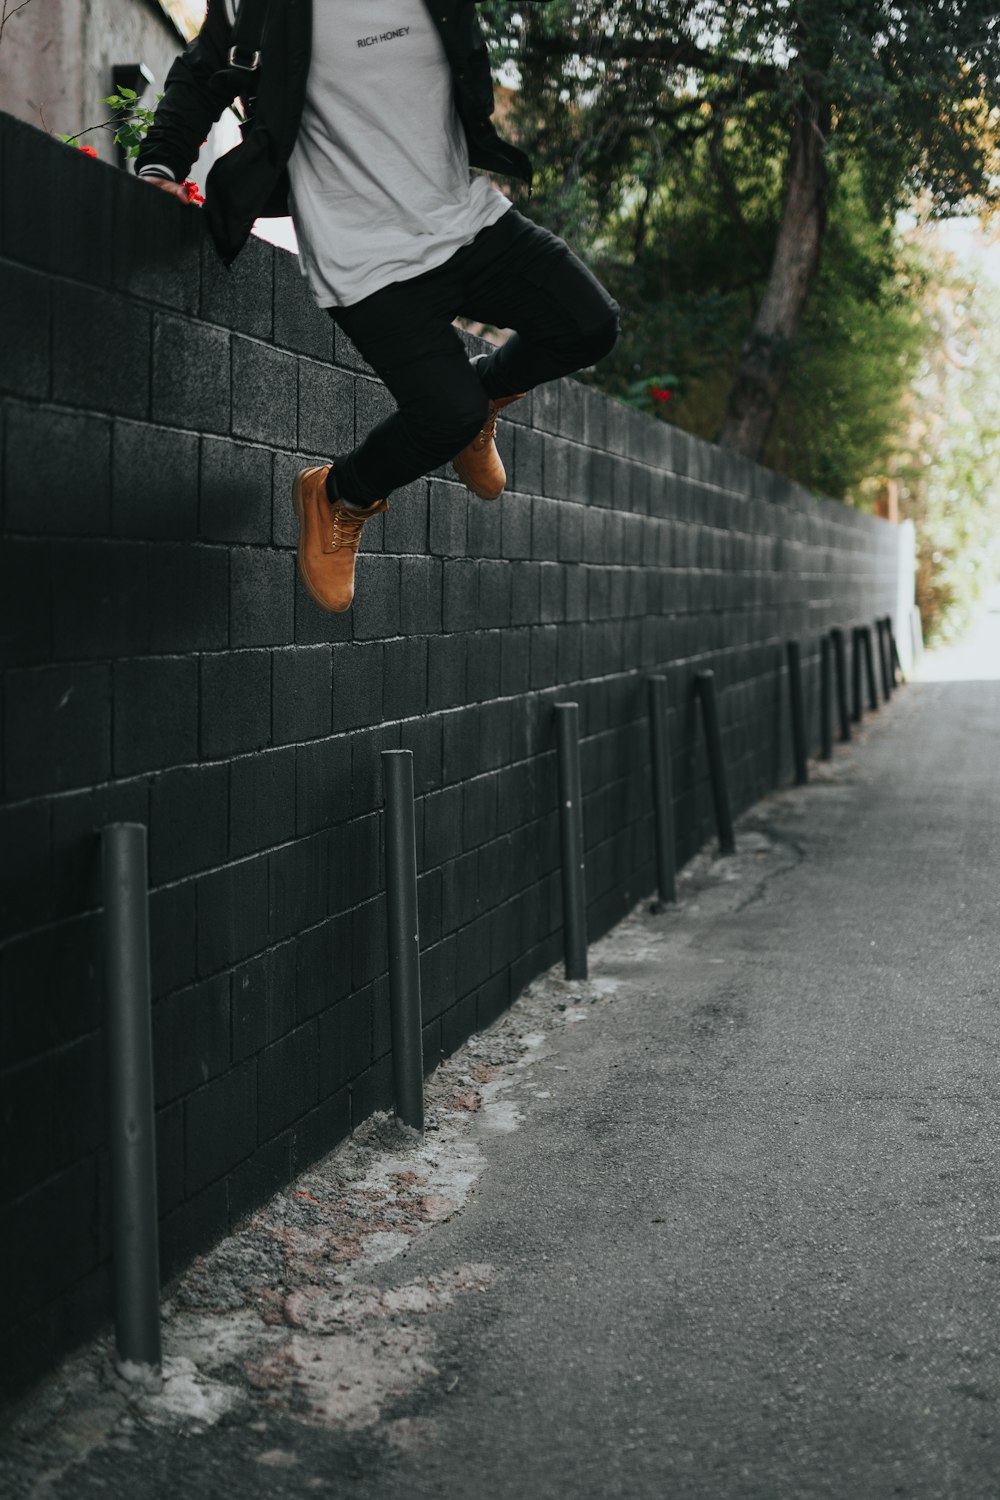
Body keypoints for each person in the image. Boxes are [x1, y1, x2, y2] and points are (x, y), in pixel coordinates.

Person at [137, 0, 619, 613]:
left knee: (588, 324)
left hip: (464, 221)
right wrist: (159, 165)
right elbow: (206, 68)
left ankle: (485, 400)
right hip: (362, 257)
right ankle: (340, 496)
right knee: (446, 416)